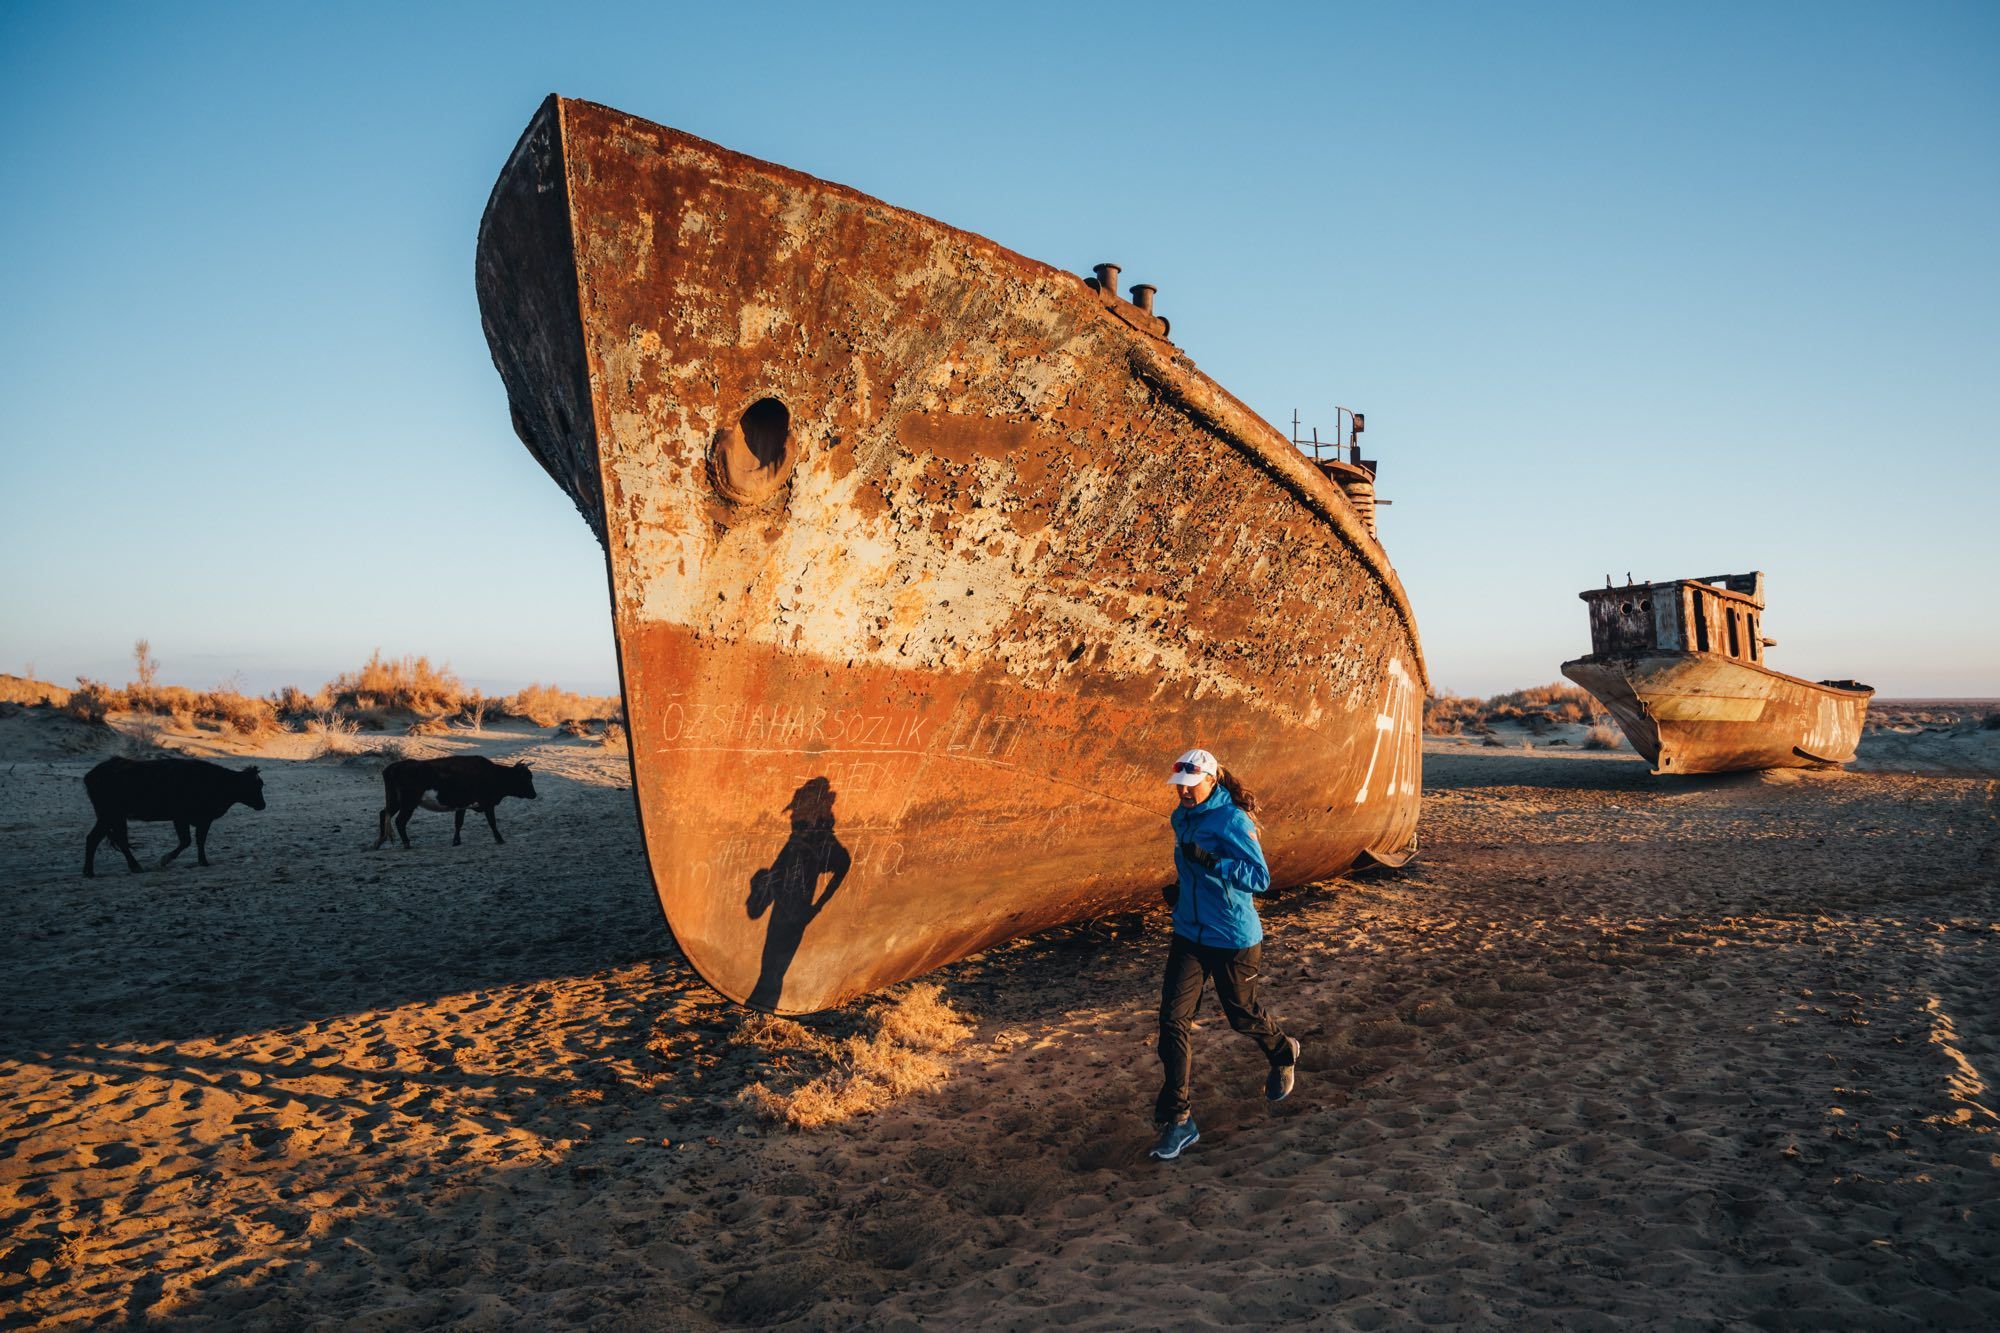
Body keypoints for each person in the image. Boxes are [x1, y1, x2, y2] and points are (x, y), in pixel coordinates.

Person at [1149, 747, 1299, 1161]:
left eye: (1189, 784)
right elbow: (1189, 864)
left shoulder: (1232, 819)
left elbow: (1261, 878)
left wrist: (1215, 864)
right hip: (1190, 933)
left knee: (1241, 1015)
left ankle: (1283, 1052)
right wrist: (1183, 893)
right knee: (1172, 1021)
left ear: (1211, 780)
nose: (1182, 792)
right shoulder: (1181, 817)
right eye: (1178, 786)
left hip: (1233, 938)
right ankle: (1179, 1121)